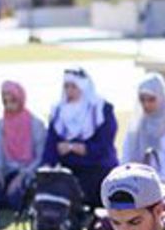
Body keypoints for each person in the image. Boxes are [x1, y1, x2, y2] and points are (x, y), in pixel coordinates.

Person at [41, 68, 118, 208]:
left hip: (96, 166)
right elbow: (51, 143)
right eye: (66, 86)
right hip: (68, 168)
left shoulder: (101, 109)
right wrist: (48, 164)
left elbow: (105, 145)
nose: (69, 91)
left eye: (73, 86)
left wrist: (84, 149)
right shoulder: (58, 110)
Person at [0, 81, 45, 211]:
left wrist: (21, 176)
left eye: (13, 101)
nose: (9, 105)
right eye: (5, 101)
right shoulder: (1, 124)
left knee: (15, 200)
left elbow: (40, 157)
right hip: (7, 171)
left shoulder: (36, 123)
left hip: (29, 171)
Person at [121, 73, 165, 187]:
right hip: (137, 183)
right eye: (142, 100)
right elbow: (126, 154)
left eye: (151, 99)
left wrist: (160, 183)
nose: (146, 104)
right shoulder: (137, 122)